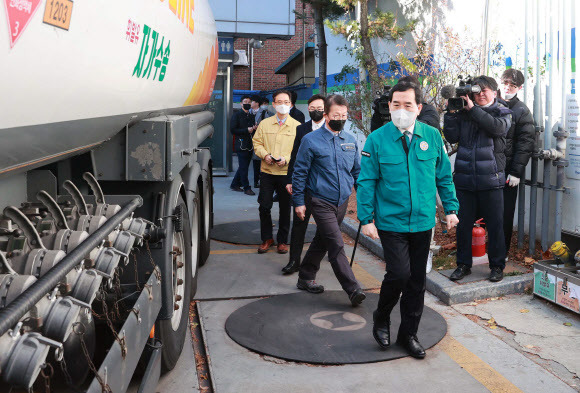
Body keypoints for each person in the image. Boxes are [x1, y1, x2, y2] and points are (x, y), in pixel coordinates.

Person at [357, 81, 459, 358]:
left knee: (417, 280)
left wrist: (450, 209)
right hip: (391, 221)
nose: (402, 110)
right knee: (399, 273)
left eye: (408, 105)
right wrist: (366, 218)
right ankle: (382, 315)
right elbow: (366, 181)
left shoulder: (431, 136)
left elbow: (443, 177)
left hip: (423, 220)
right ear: (389, 107)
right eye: (396, 105)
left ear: (419, 108)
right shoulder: (376, 139)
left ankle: (408, 334)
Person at [292, 94, 366, 307]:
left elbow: (357, 171)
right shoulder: (310, 141)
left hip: (342, 201)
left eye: (344, 115)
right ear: (325, 115)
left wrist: (364, 196)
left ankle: (305, 276)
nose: (341, 119)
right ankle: (353, 289)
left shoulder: (350, 140)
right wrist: (299, 201)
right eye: (336, 115)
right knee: (336, 244)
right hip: (320, 200)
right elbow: (300, 172)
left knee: (322, 240)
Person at [443, 75, 512, 283]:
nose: (481, 94)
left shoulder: (503, 111)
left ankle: (497, 266)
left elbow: (497, 128)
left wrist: (473, 109)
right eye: (477, 91)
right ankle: (463, 264)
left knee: (496, 225)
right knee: (463, 226)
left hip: (491, 180)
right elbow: (452, 137)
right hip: (465, 179)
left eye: (485, 90)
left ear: (494, 92)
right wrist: (452, 113)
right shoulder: (464, 113)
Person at [282, 94, 327, 275]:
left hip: (325, 186)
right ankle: (294, 261)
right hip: (304, 185)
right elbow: (294, 157)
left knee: (326, 226)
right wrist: (290, 180)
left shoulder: (332, 128)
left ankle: (325, 257)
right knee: (299, 224)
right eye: (312, 108)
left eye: (320, 108)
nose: (316, 111)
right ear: (308, 109)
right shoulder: (302, 129)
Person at [253, 90, 300, 254]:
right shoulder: (265, 124)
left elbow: (298, 149)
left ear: (291, 104)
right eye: (279, 102)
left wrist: (286, 158)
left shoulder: (297, 126)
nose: (282, 105)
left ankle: (282, 241)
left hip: (286, 173)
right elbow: (257, 143)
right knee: (264, 206)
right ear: (273, 104)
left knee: (286, 208)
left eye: (286, 102)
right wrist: (265, 155)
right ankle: (267, 239)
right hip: (267, 172)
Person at [499, 69, 535, 255]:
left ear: (519, 88)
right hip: (488, 168)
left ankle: (501, 253)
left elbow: (526, 142)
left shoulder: (522, 110)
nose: (508, 87)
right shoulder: (491, 102)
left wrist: (516, 172)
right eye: (505, 83)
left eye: (512, 85)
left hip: (507, 171)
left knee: (505, 213)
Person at [230, 95, 256, 196]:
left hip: (249, 144)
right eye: (245, 102)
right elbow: (233, 130)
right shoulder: (236, 115)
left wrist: (254, 128)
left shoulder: (251, 115)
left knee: (243, 166)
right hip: (240, 144)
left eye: (249, 102)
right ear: (241, 103)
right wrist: (246, 130)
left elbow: (252, 129)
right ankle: (246, 187)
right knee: (244, 167)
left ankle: (235, 184)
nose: (247, 104)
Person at [252, 95, 273, 188]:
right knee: (256, 162)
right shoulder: (251, 112)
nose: (265, 105)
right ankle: (256, 180)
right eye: (264, 104)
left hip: (263, 140)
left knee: (260, 161)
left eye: (266, 104)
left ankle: (260, 181)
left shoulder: (268, 113)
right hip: (255, 139)